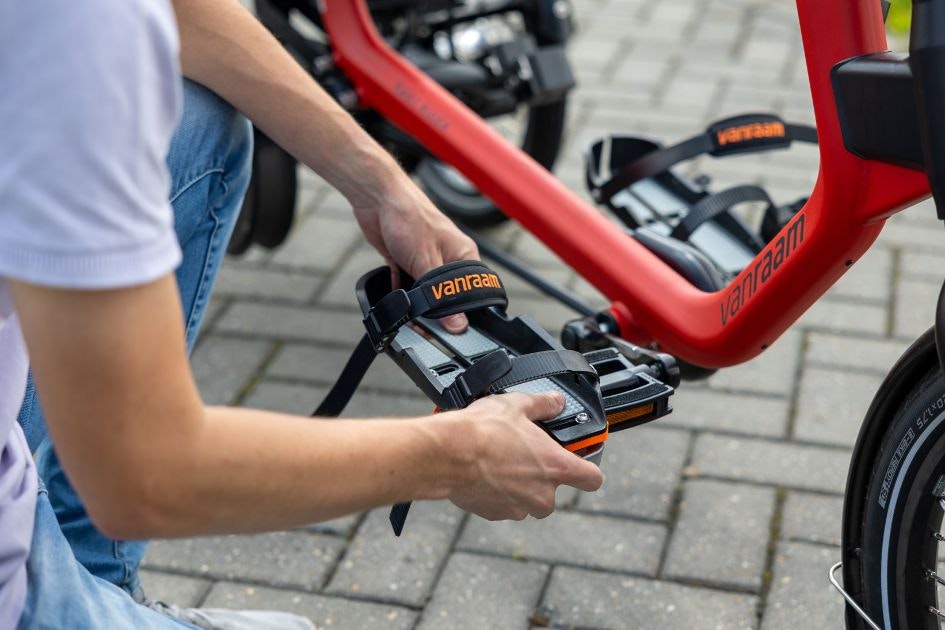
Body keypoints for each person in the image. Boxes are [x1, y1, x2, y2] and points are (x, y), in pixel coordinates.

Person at [0, 1, 604, 628]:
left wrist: (382, 186)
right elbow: (146, 473)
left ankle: (98, 576)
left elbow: (182, 12)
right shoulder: (71, 40)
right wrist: (456, 456)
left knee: (200, 121)